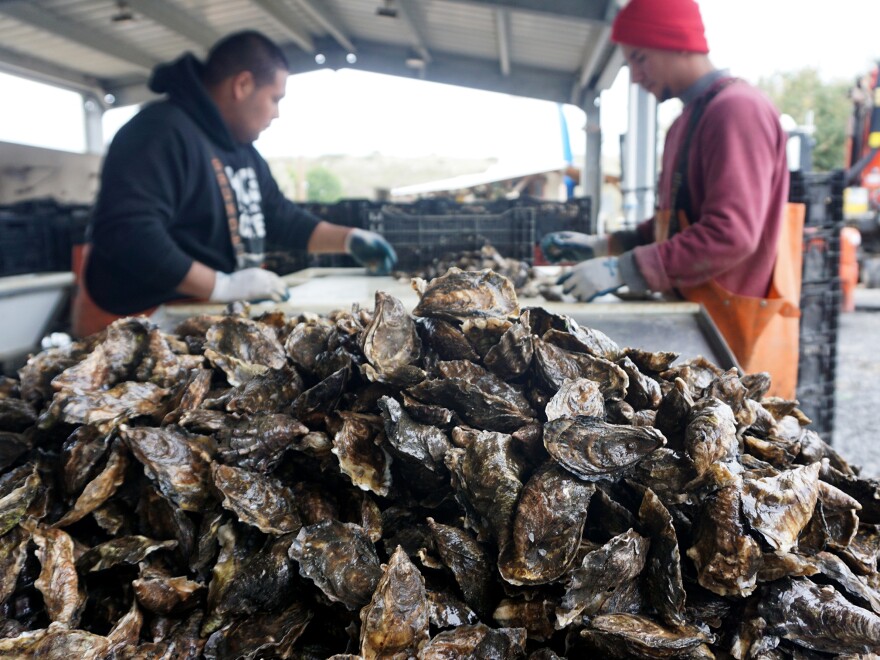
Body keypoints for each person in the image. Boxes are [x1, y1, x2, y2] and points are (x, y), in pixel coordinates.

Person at [540, 0, 803, 398]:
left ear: (677, 42)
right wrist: (606, 245)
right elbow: (676, 224)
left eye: (640, 59)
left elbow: (730, 234)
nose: (636, 77)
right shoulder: (688, 119)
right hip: (695, 318)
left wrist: (622, 269)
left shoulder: (736, 111)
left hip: (729, 334)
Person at [75, 30, 396, 336]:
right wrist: (222, 286)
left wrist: (349, 239)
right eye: (274, 98)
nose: (277, 114)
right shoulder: (159, 132)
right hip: (134, 321)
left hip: (195, 316)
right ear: (242, 85)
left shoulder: (242, 151)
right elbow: (129, 232)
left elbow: (278, 216)